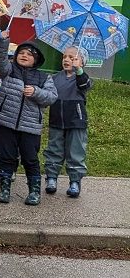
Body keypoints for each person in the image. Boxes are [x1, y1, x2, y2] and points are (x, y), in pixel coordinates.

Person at [0, 32, 58, 205]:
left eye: (29, 54)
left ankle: (34, 191)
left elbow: (51, 97)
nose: (24, 55)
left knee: (30, 159)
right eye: (21, 53)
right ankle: (5, 190)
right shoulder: (8, 71)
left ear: (36, 60)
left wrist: (36, 92)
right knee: (6, 157)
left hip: (30, 127)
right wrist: (3, 40)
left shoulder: (44, 78)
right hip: (6, 122)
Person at [43, 47, 92, 198]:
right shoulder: (55, 78)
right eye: (65, 56)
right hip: (57, 119)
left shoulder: (82, 78)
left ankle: (75, 181)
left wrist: (79, 72)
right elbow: (48, 93)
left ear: (82, 62)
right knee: (54, 148)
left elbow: (85, 85)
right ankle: (51, 178)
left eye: (72, 57)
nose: (67, 60)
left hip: (76, 121)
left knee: (76, 151)